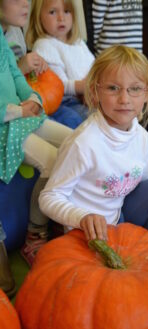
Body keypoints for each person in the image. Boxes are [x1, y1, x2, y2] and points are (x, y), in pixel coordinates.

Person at [39, 45, 148, 243]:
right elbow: (48, 197)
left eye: (134, 89)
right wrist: (81, 218)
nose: (124, 99)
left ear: (146, 94)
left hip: (121, 218)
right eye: (113, 88)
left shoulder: (142, 138)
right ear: (95, 91)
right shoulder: (83, 142)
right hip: (87, 233)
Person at [0, 22, 73, 267]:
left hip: (21, 116)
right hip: (5, 125)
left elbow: (16, 75)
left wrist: (33, 98)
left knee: (74, 143)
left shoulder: (2, 37)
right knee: (52, 161)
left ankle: (62, 217)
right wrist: (17, 111)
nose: (24, 3)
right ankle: (35, 235)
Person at [1, 0, 83, 129]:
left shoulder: (15, 31)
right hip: (11, 112)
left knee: (74, 119)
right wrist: (21, 68)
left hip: (30, 100)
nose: (26, 3)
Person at [26, 0, 95, 122]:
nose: (61, 18)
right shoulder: (44, 45)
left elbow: (94, 68)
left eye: (67, 11)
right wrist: (82, 87)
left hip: (88, 96)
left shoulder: (78, 43)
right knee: (86, 120)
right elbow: (57, 86)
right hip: (64, 102)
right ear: (38, 17)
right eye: (52, 12)